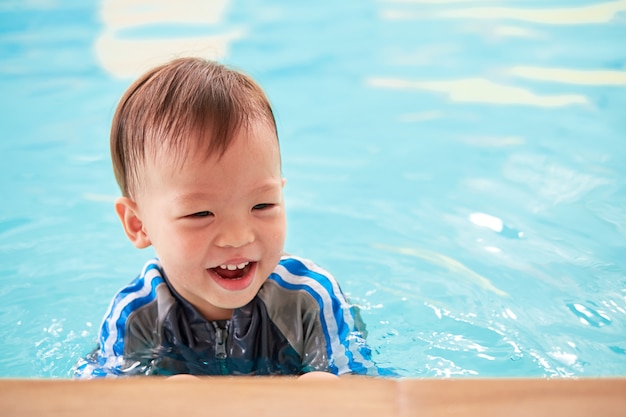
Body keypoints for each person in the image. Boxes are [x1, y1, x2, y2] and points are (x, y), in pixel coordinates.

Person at [73, 57, 377, 378]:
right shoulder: (137, 316)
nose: (238, 236)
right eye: (200, 213)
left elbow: (362, 386)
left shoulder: (308, 299)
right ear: (138, 224)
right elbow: (94, 398)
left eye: (262, 205)